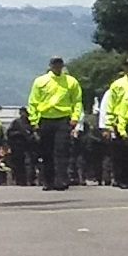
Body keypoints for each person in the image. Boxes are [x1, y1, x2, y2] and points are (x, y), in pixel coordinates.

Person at [24, 57, 83, 194]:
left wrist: (75, 118)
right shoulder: (40, 81)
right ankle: (48, 181)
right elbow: (33, 102)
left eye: (59, 64)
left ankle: (61, 180)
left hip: (63, 119)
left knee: (62, 151)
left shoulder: (71, 81)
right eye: (55, 64)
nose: (57, 66)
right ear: (50, 65)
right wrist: (34, 121)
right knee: (46, 152)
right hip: (45, 119)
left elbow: (77, 101)